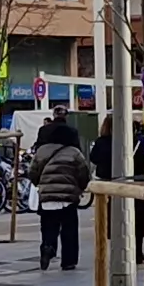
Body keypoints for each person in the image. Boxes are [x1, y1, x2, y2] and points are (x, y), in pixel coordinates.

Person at [28, 115, 94, 272]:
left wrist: (41, 185)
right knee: (69, 229)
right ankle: (68, 261)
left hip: (47, 197)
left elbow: (32, 172)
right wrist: (80, 188)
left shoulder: (42, 151)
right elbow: (84, 173)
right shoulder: (74, 153)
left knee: (48, 226)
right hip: (68, 197)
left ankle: (48, 247)